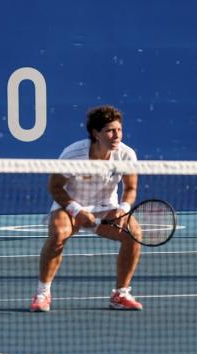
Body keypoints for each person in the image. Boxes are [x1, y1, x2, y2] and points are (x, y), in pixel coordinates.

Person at [30, 105, 143, 312]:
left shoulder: (126, 155)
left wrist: (123, 209)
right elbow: (54, 187)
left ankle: (121, 294)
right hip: (70, 206)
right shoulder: (73, 154)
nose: (116, 135)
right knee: (58, 235)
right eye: (110, 130)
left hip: (105, 207)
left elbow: (131, 188)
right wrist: (76, 211)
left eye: (119, 130)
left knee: (134, 234)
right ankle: (42, 293)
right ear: (95, 133)